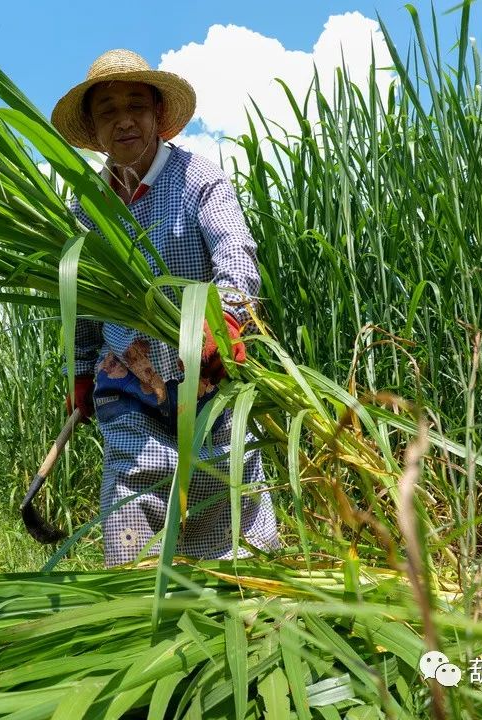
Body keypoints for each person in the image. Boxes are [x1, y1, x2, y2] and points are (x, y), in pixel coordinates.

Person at [50, 49, 280, 567]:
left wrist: (225, 323)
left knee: (228, 491)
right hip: (126, 384)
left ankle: (251, 606)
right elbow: (82, 301)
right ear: (93, 125)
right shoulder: (86, 208)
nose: (124, 119)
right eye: (108, 110)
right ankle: (137, 607)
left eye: (136, 104)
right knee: (131, 496)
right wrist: (81, 374)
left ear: (159, 115)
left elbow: (236, 256)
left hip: (205, 375)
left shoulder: (200, 181)